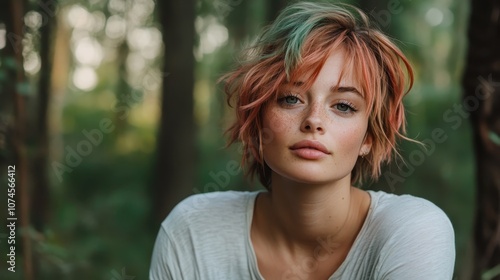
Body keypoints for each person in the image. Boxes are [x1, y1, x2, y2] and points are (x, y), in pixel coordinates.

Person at [149, 2, 455, 279]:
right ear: (257, 121)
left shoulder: (414, 231)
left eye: (343, 106)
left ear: (370, 137)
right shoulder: (193, 230)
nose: (314, 120)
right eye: (291, 99)